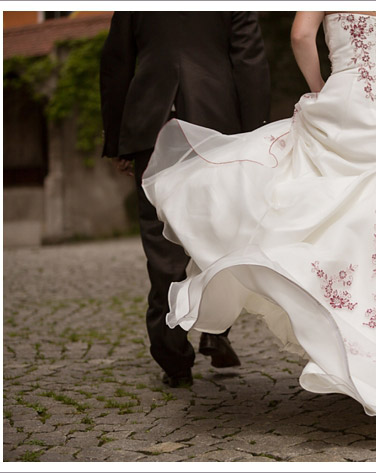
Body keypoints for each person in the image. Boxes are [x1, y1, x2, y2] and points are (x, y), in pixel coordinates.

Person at [142, 11, 376, 439]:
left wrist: (319, 87)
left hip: (346, 104)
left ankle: (352, 345)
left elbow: (300, 34)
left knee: (340, 226)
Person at [99, 12, 271, 387]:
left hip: (152, 122)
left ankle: (172, 356)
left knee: (161, 244)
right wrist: (255, 133)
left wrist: (118, 140)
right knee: (219, 233)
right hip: (214, 124)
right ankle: (216, 330)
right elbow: (248, 59)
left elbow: (116, 63)